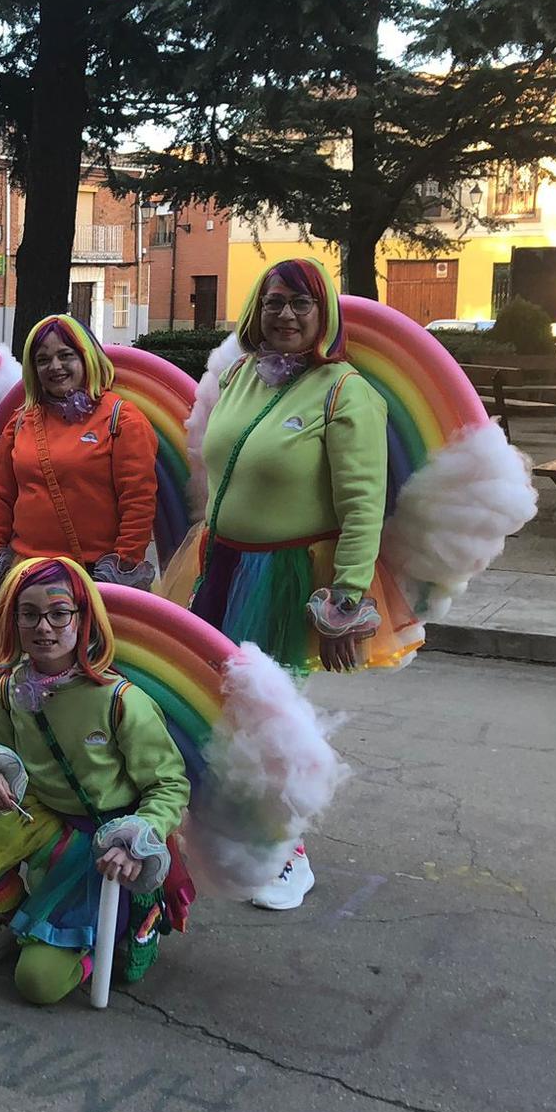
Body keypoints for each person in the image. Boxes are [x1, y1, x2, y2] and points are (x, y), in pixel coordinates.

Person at [160, 257, 421, 911]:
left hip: (285, 576)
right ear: (257, 311)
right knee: (212, 710)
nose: (286, 315)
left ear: (324, 316)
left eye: (302, 304)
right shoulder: (242, 375)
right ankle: (228, 832)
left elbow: (363, 504)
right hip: (218, 564)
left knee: (272, 722)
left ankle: (288, 857)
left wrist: (349, 598)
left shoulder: (343, 390)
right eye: (274, 302)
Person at [0, 557, 192, 1005]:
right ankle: (12, 917)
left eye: (59, 613)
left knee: (38, 983)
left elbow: (168, 786)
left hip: (103, 846)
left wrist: (135, 842)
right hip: (40, 820)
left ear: (83, 618)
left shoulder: (122, 700)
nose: (43, 626)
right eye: (29, 614)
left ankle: (135, 914)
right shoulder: (11, 688)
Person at [0, 313, 158, 595]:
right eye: (42, 360)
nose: (55, 367)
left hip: (94, 577)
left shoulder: (122, 420)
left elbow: (138, 503)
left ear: (86, 357)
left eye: (65, 355)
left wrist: (123, 567)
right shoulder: (20, 422)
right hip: (27, 571)